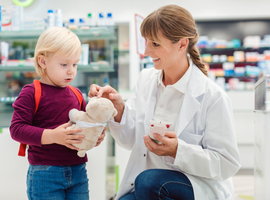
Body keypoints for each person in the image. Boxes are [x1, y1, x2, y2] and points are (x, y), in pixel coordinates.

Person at [89, 4, 241, 200]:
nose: (145, 51)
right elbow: (130, 140)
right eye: (146, 42)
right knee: (143, 185)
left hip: (192, 184)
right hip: (146, 184)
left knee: (149, 182)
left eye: (155, 44)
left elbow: (227, 163)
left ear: (181, 44)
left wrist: (179, 150)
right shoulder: (146, 79)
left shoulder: (212, 96)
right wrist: (118, 109)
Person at [10, 27, 106, 200]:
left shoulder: (76, 94)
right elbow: (17, 129)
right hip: (44, 174)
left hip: (78, 171)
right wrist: (54, 136)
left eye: (75, 64)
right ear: (43, 61)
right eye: (64, 64)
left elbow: (86, 123)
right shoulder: (31, 92)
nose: (71, 70)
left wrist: (96, 134)